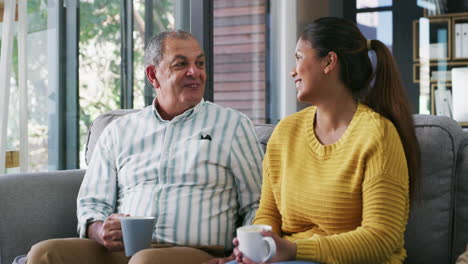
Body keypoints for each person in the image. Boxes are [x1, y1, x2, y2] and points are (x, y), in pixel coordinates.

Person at [26, 30, 263, 264]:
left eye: (199, 63)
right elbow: (92, 203)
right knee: (44, 254)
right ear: (153, 75)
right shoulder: (119, 131)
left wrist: (243, 253)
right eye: (181, 65)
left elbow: (257, 203)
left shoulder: (232, 126)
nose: (195, 72)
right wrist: (101, 231)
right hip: (122, 251)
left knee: (145, 261)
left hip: (197, 252)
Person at [223, 17, 421, 264]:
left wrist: (294, 250)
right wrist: (256, 247)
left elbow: (381, 238)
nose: (292, 70)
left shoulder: (377, 135)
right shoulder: (285, 133)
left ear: (329, 61)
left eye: (299, 57)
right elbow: (268, 214)